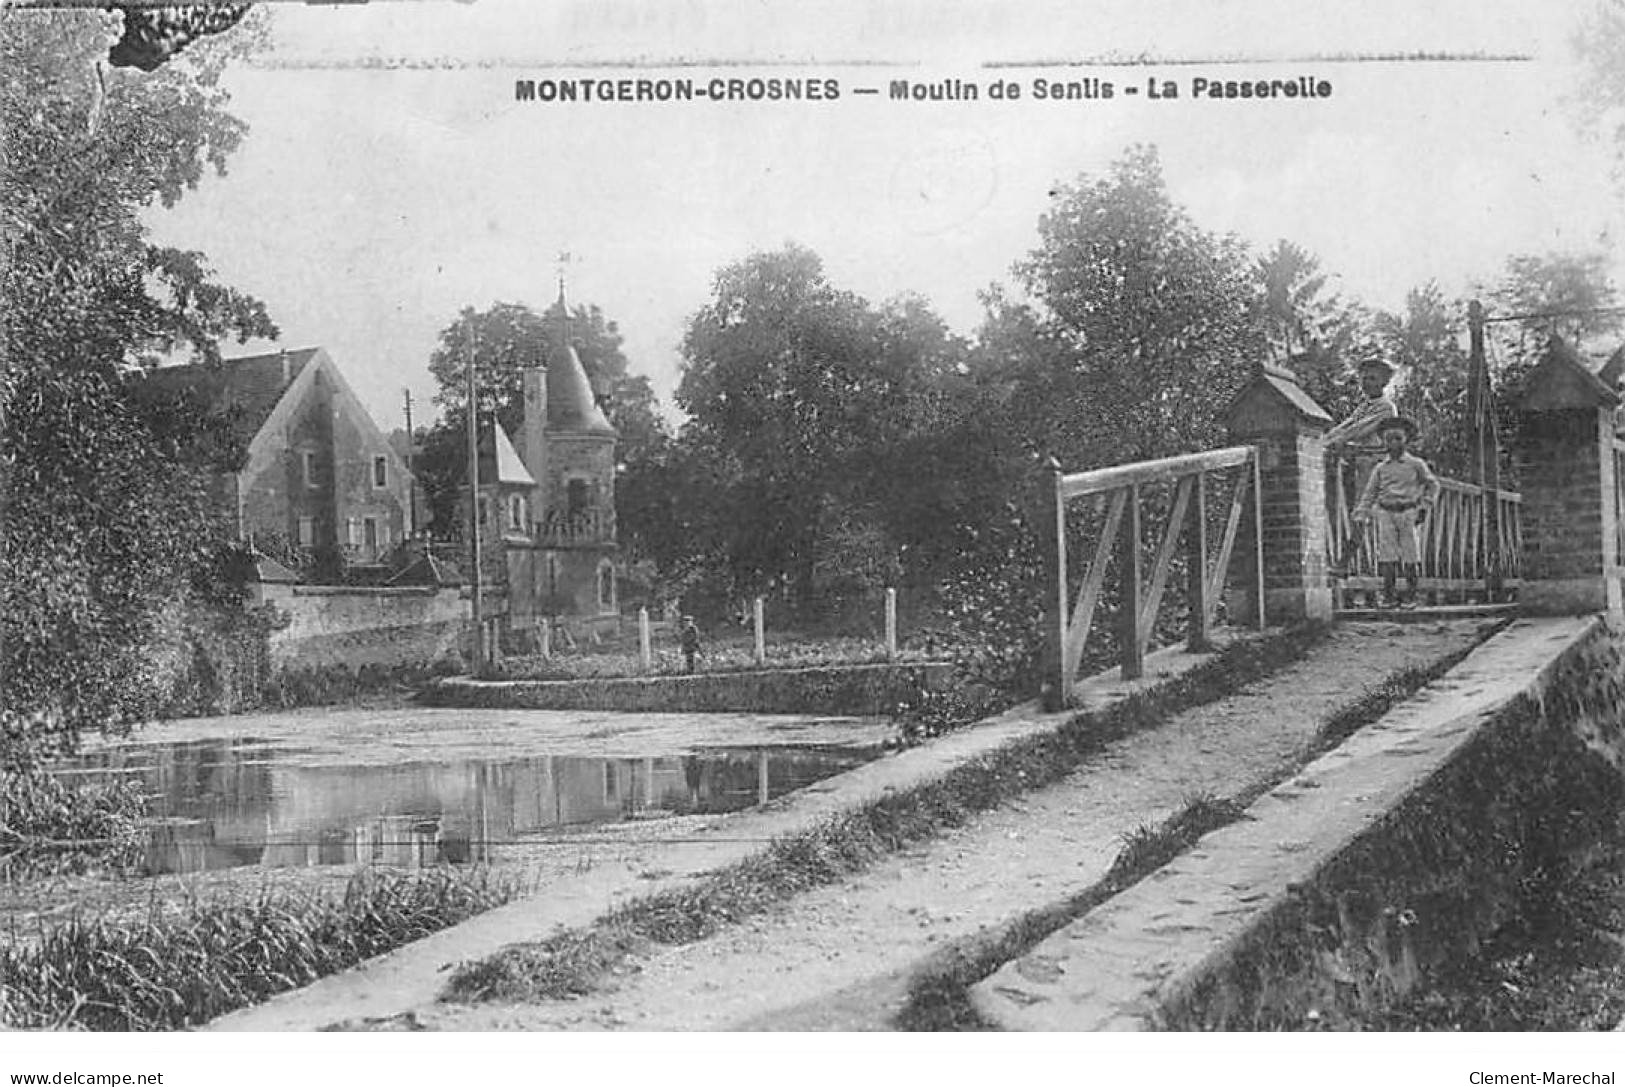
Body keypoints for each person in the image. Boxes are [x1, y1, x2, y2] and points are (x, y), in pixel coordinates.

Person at [1353, 416, 1439, 609]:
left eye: (1398, 438)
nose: (1393, 443)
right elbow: (1370, 493)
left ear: (1406, 440)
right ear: (1384, 441)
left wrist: (1425, 505)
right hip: (1386, 512)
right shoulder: (1381, 468)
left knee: (1410, 553)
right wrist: (1361, 513)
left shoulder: (1415, 464)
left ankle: (1411, 595)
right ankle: (1389, 596)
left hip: (1408, 512)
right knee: (1387, 554)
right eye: (1389, 439)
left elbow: (1432, 485)